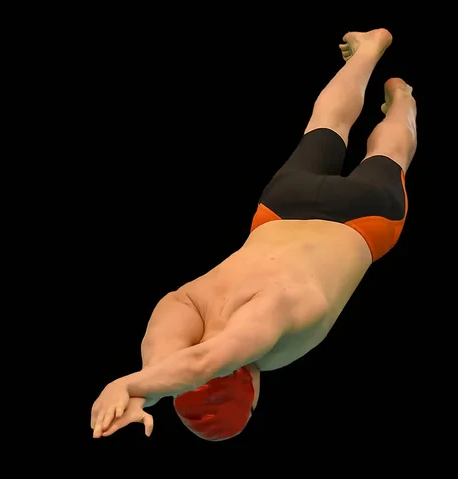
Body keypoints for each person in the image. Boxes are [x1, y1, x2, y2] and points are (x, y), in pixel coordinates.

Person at [90, 27, 417, 441]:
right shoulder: (190, 309)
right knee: (326, 124)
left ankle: (403, 102)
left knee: (391, 155)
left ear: (252, 395)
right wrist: (136, 387)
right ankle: (366, 53)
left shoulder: (272, 345)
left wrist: (140, 387)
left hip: (363, 222)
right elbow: (189, 360)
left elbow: (207, 362)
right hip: (281, 210)